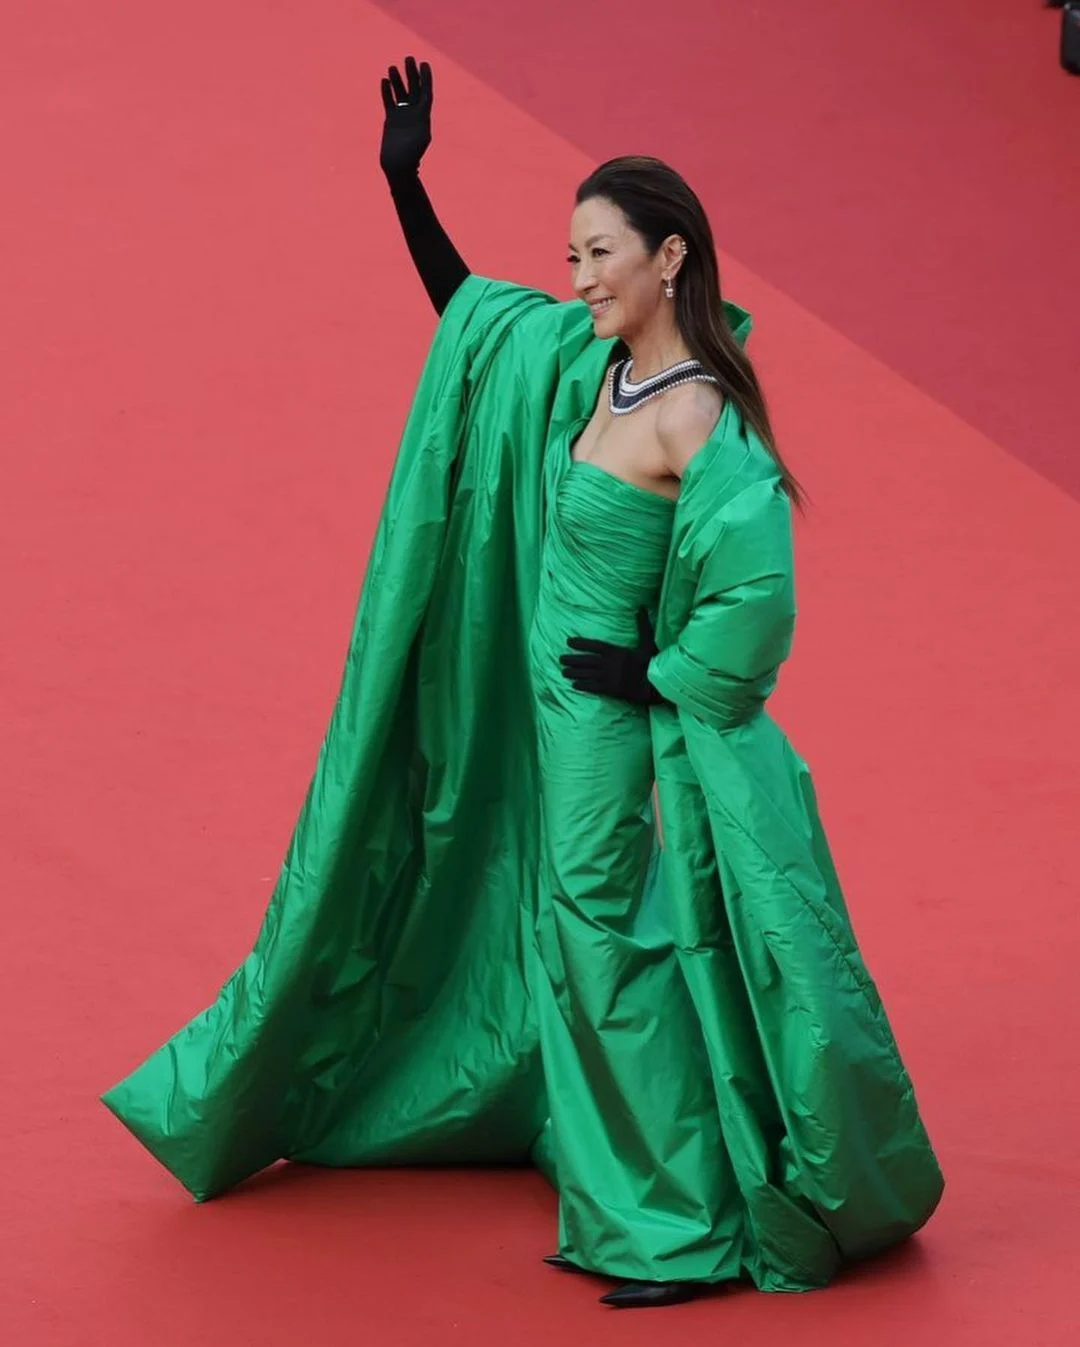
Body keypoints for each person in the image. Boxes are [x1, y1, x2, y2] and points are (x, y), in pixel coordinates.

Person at [102, 56, 943, 1311]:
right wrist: (407, 185)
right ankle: (624, 1192)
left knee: (610, 947)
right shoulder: (589, 366)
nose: (581, 278)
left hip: (608, 723)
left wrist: (658, 675)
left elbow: (756, 600)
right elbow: (470, 319)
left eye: (602, 254)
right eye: (571, 258)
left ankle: (677, 1232)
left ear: (672, 259)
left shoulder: (701, 417)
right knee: (572, 943)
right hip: (544, 709)